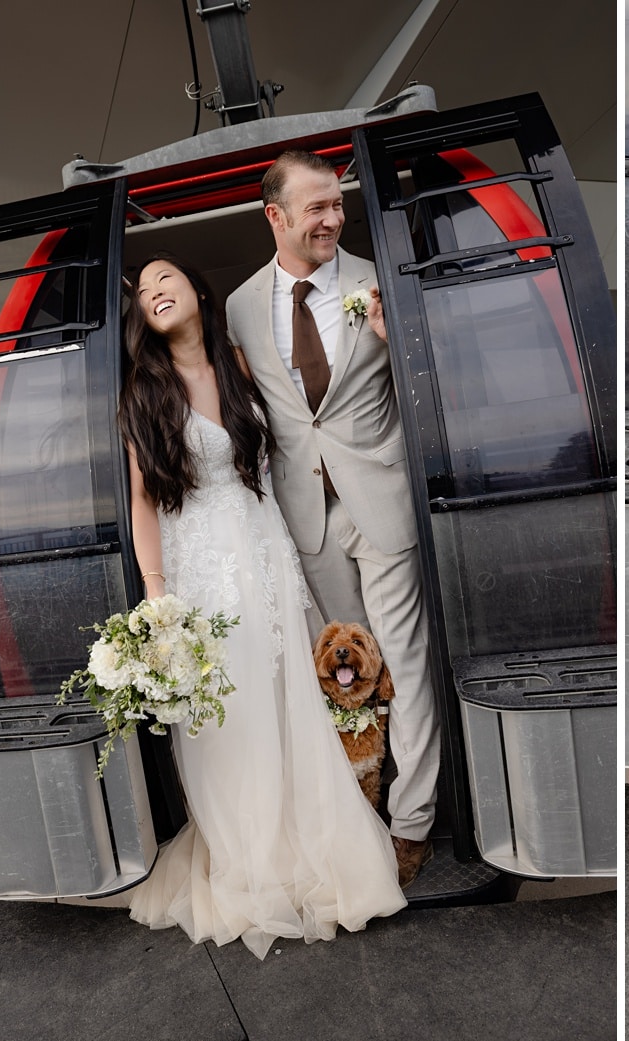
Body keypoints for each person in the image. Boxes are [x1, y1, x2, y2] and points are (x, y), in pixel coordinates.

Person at [121, 253, 405, 959]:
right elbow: (142, 500)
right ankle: (248, 859)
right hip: (203, 572)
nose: (157, 292)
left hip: (269, 549)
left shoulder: (244, 368)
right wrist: (158, 596)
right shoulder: (143, 393)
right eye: (146, 290)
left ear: (197, 291)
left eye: (168, 279)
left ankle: (316, 841)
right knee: (231, 715)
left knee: (288, 704)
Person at [224, 150, 438, 887]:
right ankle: (361, 819)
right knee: (345, 678)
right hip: (305, 515)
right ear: (275, 217)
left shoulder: (378, 280)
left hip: (380, 500)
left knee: (402, 669)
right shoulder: (241, 306)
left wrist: (393, 341)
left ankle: (412, 825)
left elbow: (435, 376)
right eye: (315, 207)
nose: (332, 217)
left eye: (337, 204)